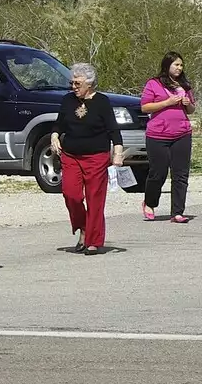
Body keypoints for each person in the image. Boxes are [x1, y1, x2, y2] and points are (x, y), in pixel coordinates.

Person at [51, 62, 125, 255]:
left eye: (77, 83)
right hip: (71, 155)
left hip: (96, 157)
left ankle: (93, 240)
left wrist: (117, 152)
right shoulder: (68, 100)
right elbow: (59, 124)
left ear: (89, 84)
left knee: (95, 199)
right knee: (71, 194)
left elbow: (113, 129)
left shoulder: (102, 102)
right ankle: (83, 227)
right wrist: (54, 135)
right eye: (72, 83)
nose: (73, 87)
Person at [139, 52, 195, 223]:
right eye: (176, 65)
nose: (179, 68)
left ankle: (177, 212)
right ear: (167, 65)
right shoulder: (153, 84)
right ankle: (149, 202)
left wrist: (188, 104)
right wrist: (167, 102)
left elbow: (192, 109)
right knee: (159, 172)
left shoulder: (184, 85)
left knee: (180, 174)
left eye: (181, 65)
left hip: (182, 133)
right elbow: (145, 107)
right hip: (158, 135)